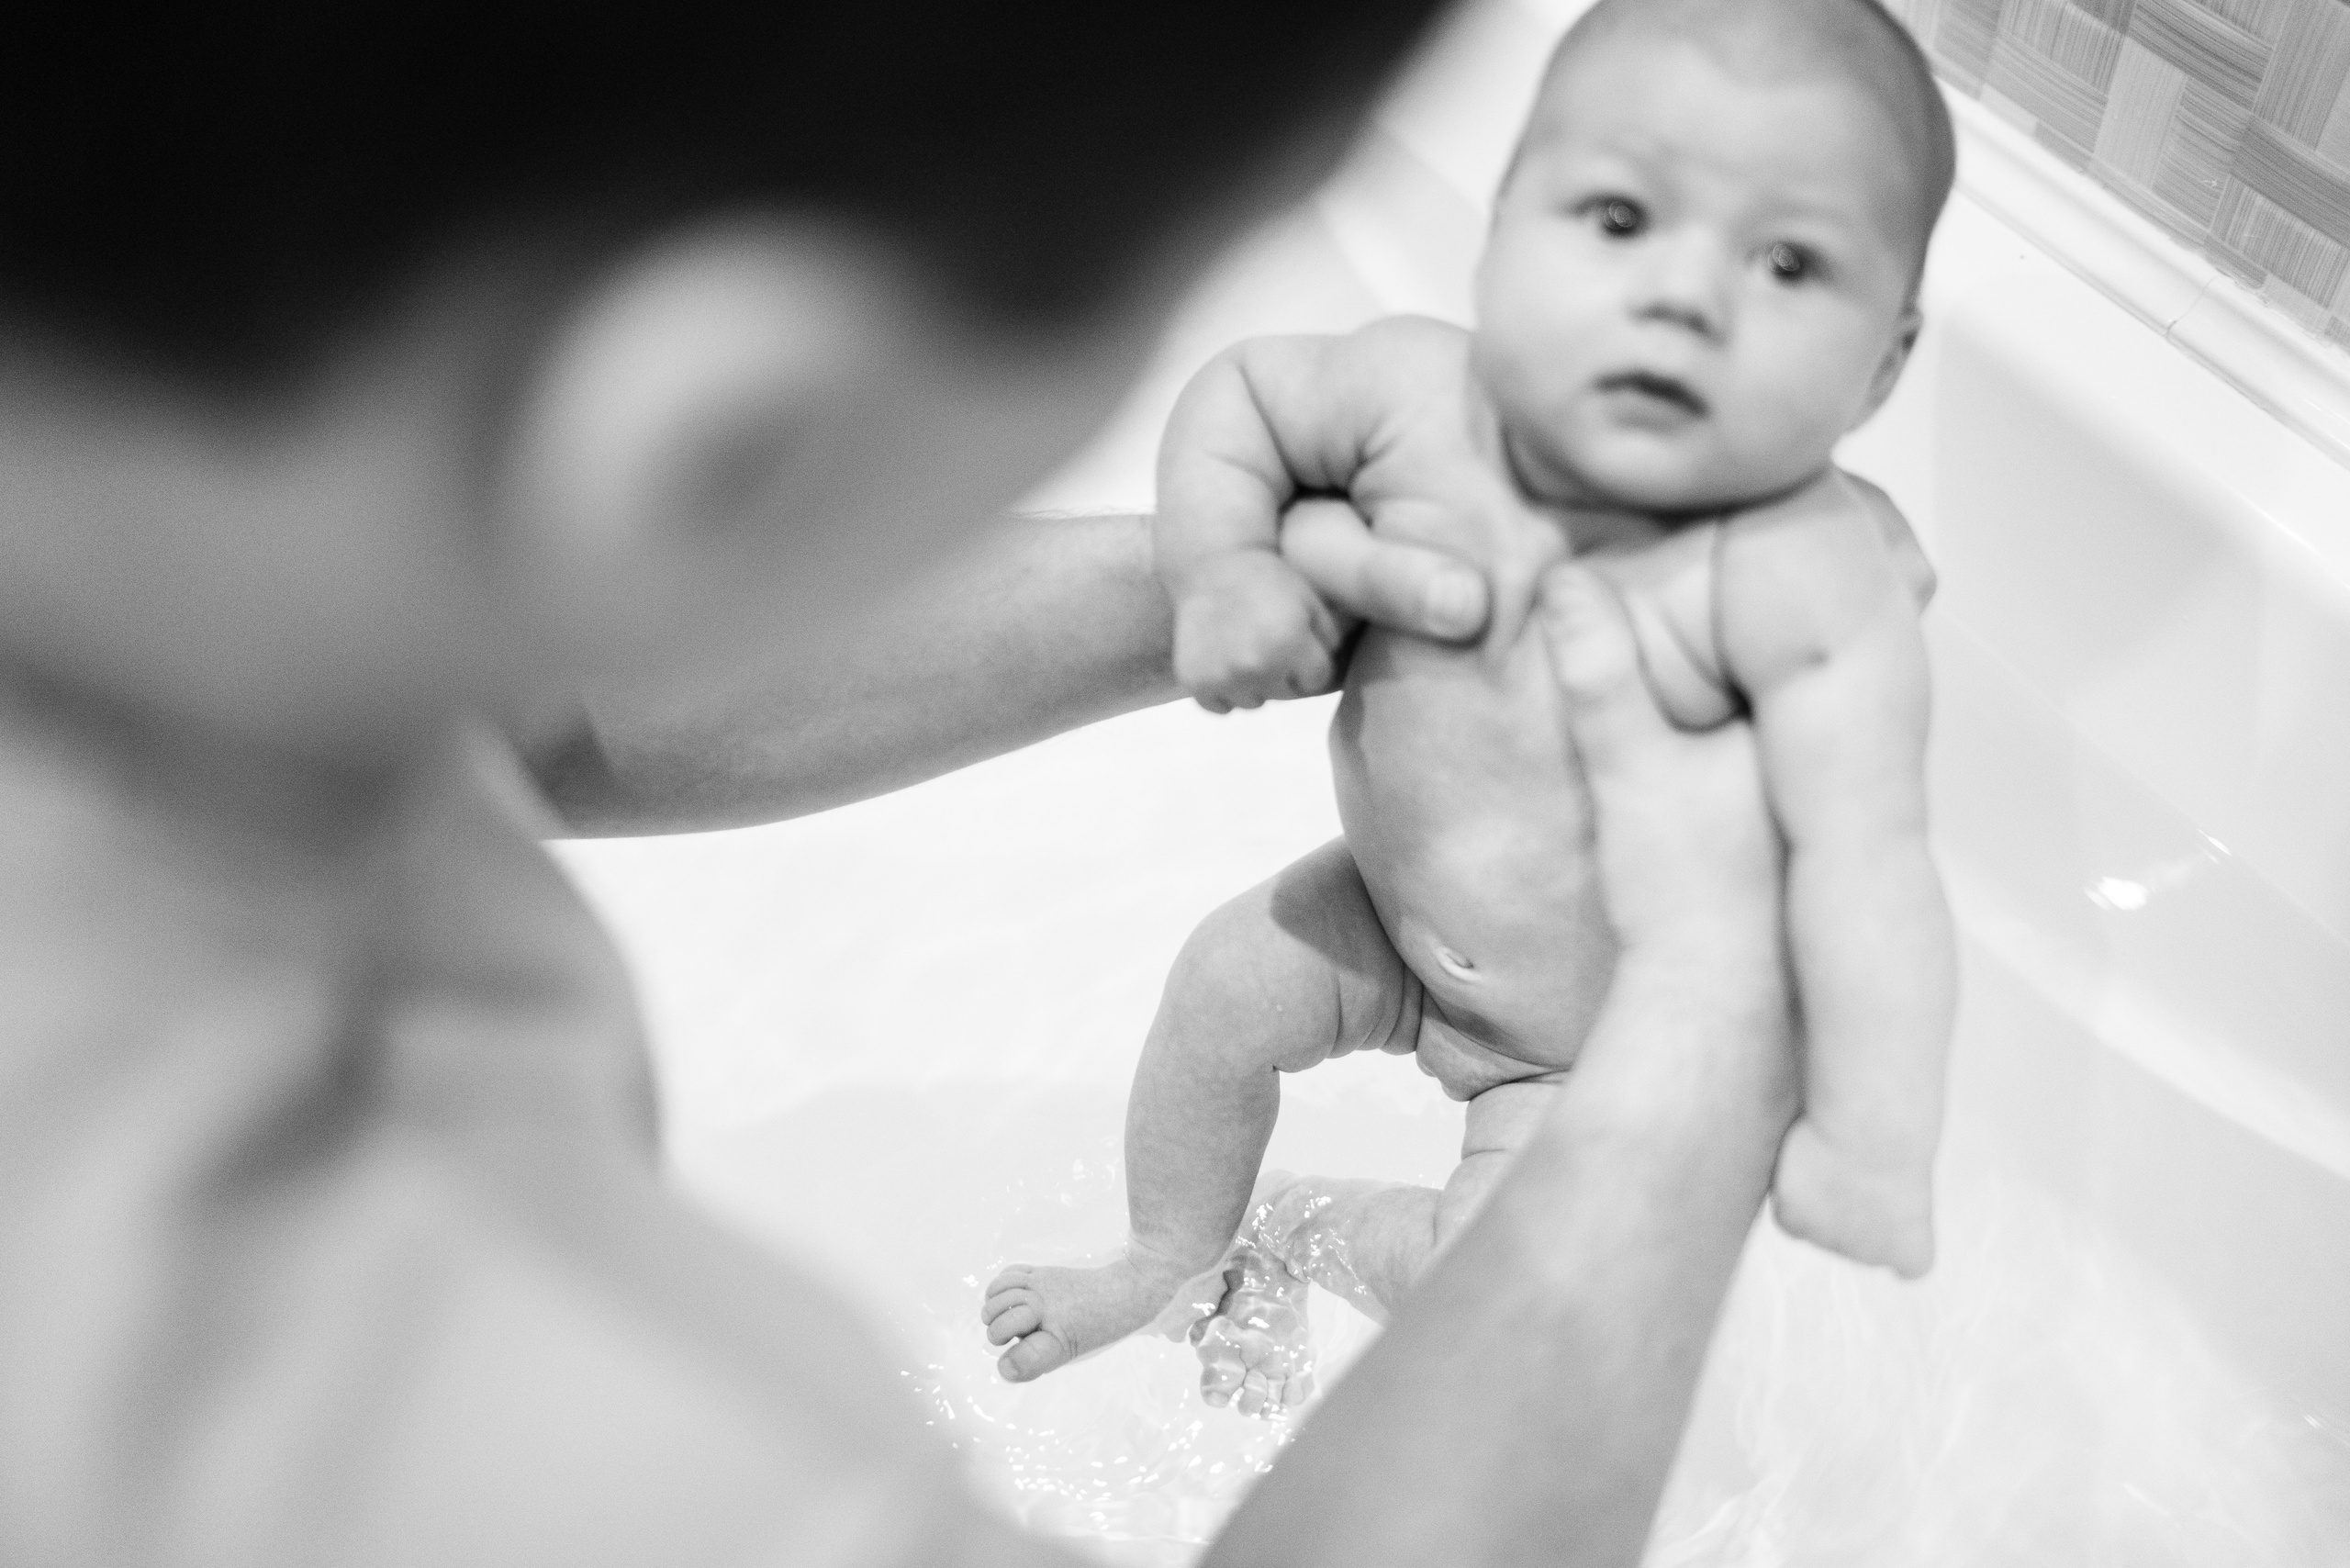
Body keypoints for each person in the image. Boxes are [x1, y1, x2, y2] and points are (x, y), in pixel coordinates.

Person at [1, 5, 1791, 1563]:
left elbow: (533, 700)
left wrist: (1243, 574)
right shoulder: (480, 1409)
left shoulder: (188, 575)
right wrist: (1695, 1036)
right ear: (736, 448)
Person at [981, 0, 1957, 1408]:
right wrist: (1222, 571)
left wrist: (1871, 1126)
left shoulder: (1828, 565)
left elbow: (1873, 871)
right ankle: (1166, 1252)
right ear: (1501, 233)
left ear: (1882, 362)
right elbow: (1239, 397)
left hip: (1584, 1055)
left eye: (1789, 261)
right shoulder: (1408, 397)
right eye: (1621, 217)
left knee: (1488, 1304)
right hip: (1378, 921)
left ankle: (1299, 1230)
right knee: (1222, 985)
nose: (1686, 293)